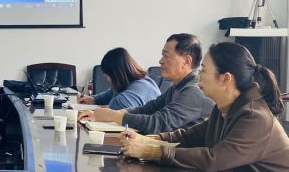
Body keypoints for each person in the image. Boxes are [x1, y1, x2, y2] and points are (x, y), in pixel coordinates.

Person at [120, 42, 289, 172]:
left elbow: (213, 159)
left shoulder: (254, 117)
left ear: (226, 79)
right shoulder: (225, 108)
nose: (198, 77)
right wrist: (146, 140)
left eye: (204, 71)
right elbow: (188, 137)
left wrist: (150, 151)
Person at [80, 34, 214, 133]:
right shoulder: (177, 87)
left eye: (166, 55)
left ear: (186, 61)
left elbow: (158, 123)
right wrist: (113, 113)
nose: (160, 61)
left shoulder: (193, 91)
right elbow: (149, 108)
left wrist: (114, 116)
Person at [78, 47, 160, 109]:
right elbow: (111, 93)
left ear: (116, 75)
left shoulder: (137, 90)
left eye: (107, 74)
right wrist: (92, 99)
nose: (106, 78)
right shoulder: (138, 81)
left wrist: (93, 109)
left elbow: (115, 109)